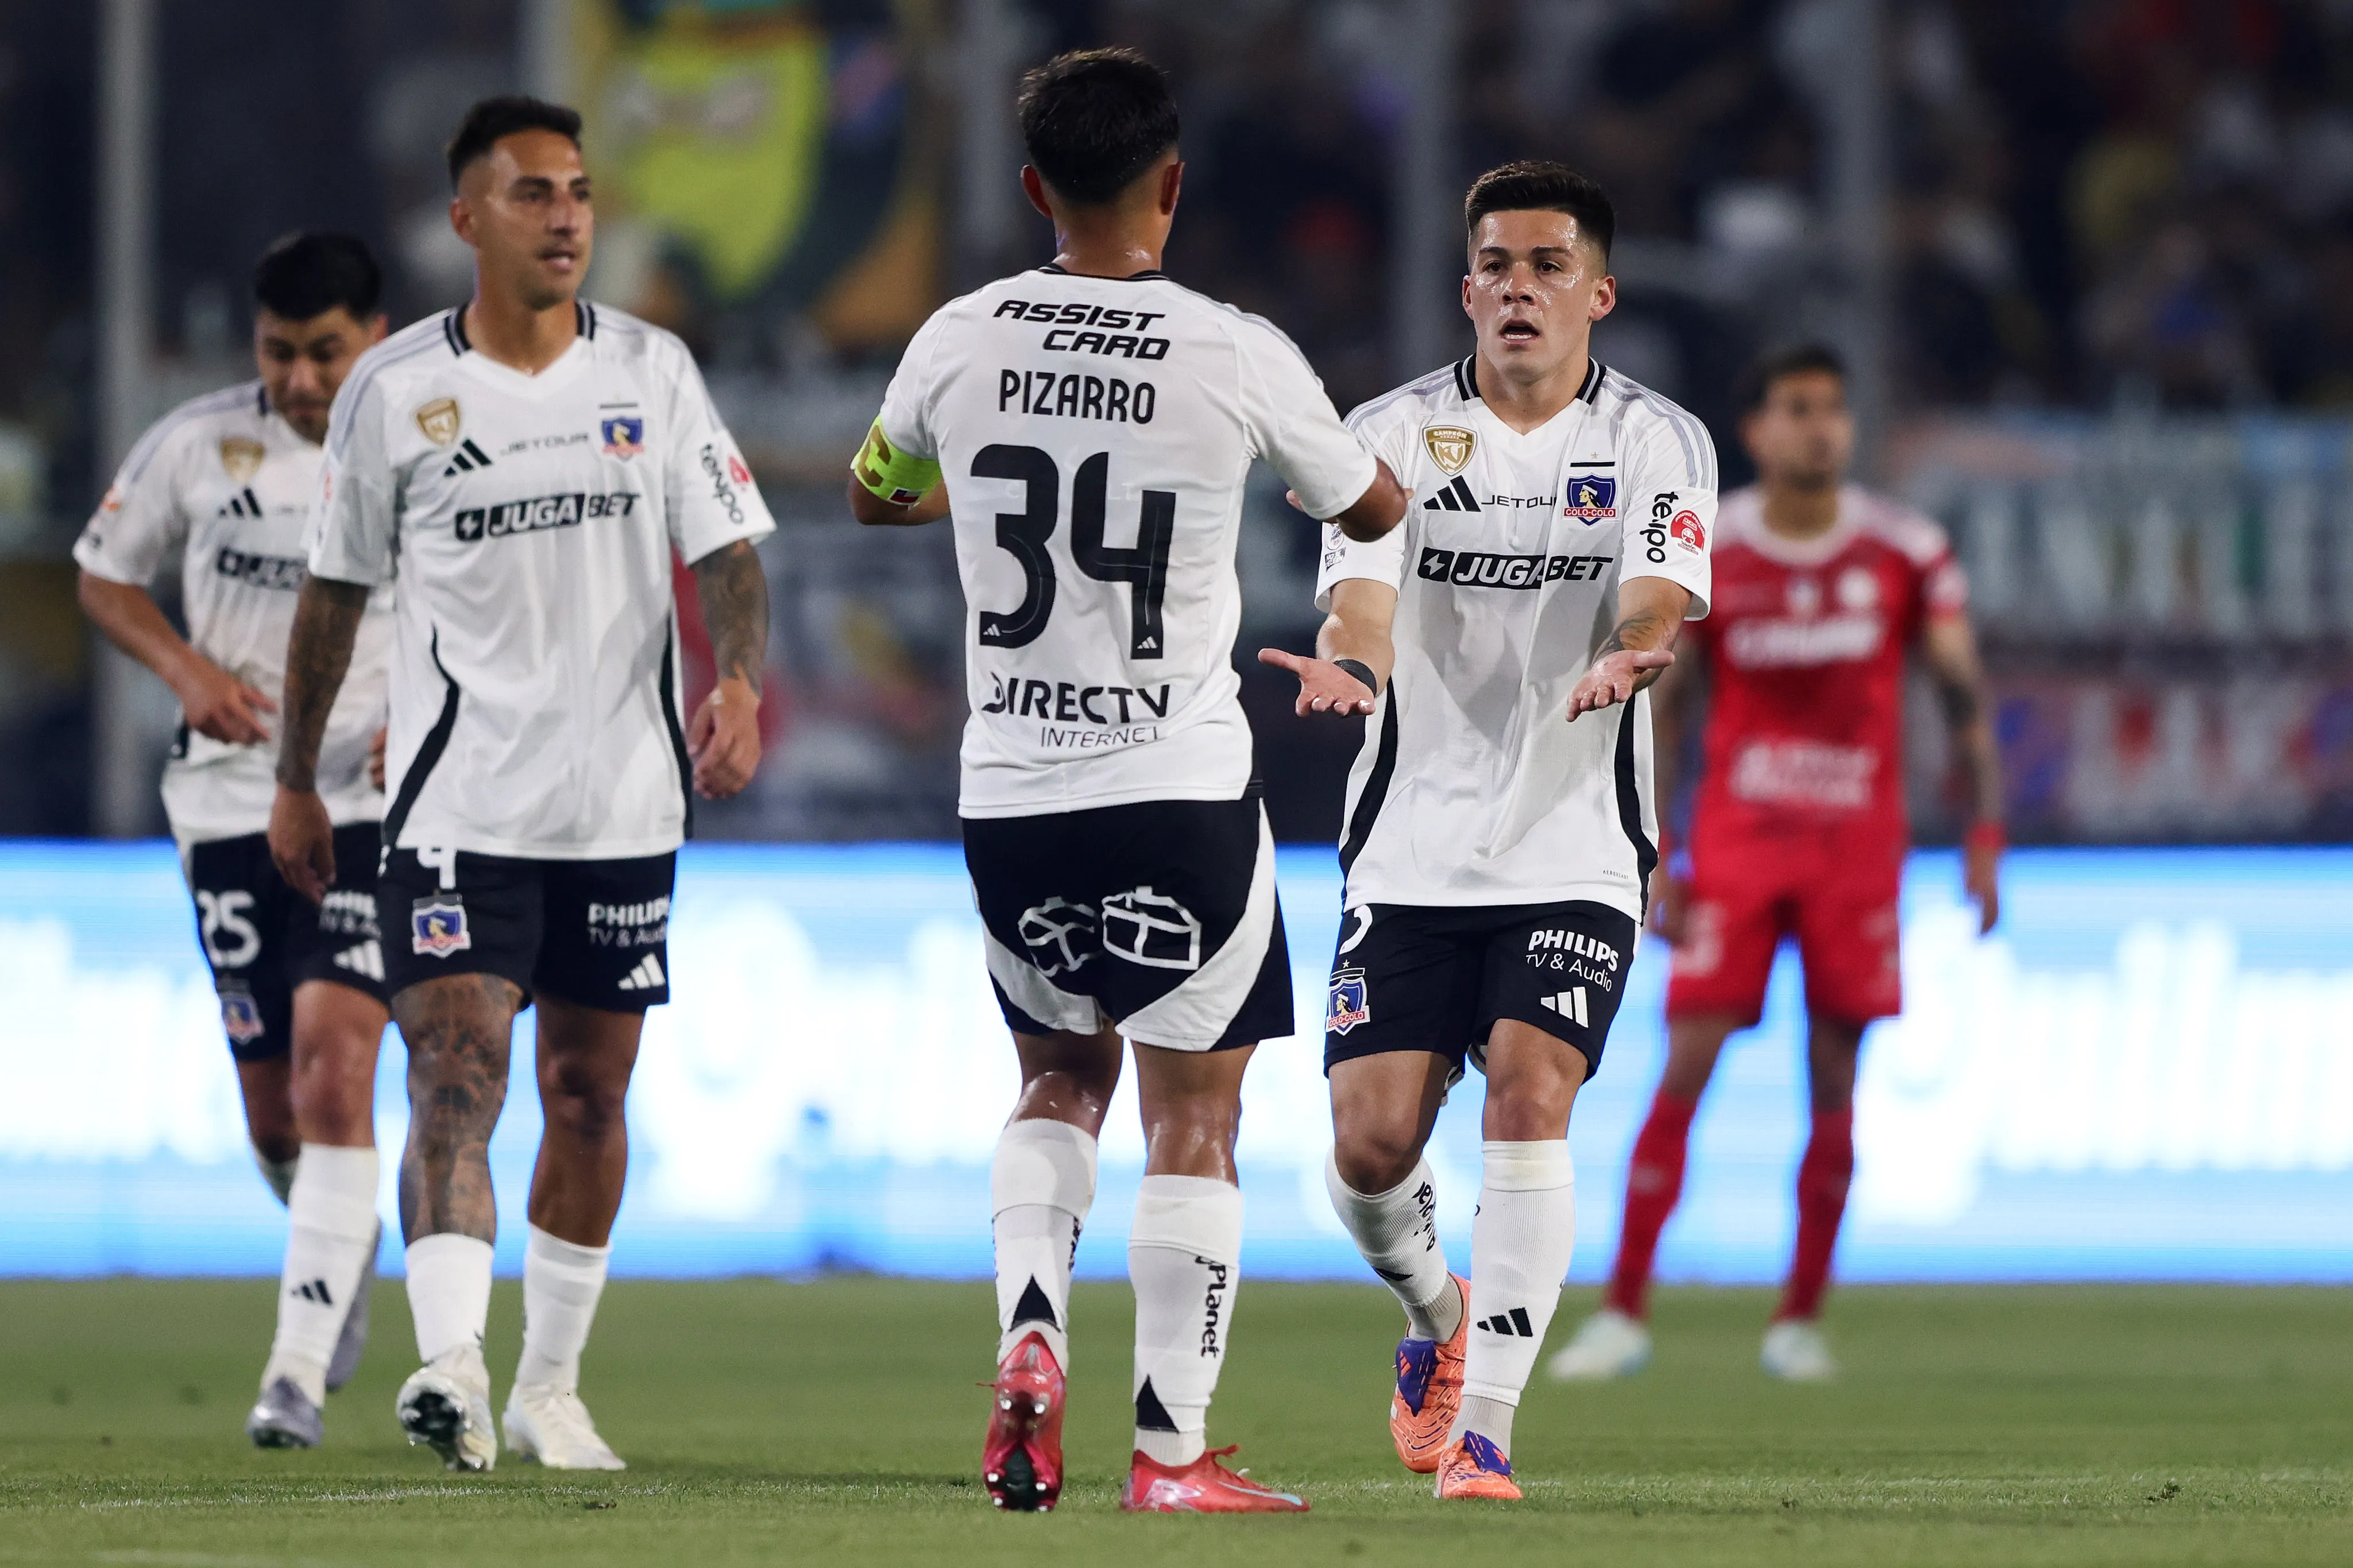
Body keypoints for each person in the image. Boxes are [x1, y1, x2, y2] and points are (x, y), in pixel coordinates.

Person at [848, 48, 1406, 1515]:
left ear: (1033, 187)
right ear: (1172, 184)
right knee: (1192, 1116)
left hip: (1009, 792)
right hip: (1177, 787)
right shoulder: (1231, 348)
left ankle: (1030, 1333)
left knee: (1053, 1077)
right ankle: (1168, 1451)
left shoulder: (959, 337)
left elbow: (877, 488)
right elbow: (1371, 504)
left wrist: (978, 469)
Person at [269, 95, 775, 1472]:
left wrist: (736, 681)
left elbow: (727, 550)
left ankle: (550, 1388)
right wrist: (299, 780)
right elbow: (333, 594)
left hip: (623, 803)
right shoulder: (393, 392)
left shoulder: (652, 371)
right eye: (533, 193)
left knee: (589, 1095)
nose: (565, 217)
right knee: (451, 1070)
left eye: (578, 192)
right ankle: (452, 1368)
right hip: (458, 802)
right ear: (465, 219)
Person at [1262, 161, 1714, 1502]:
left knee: (1530, 1096)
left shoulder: (1655, 439)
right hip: (1411, 842)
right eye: (1498, 267)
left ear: (1597, 294)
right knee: (1369, 1150)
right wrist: (1352, 664)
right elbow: (1359, 600)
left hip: (1576, 836)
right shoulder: (1388, 435)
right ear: (1465, 290)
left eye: (1548, 266)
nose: (1520, 289)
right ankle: (1435, 1313)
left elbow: (1657, 595)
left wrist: (1630, 653)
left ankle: (1486, 1434)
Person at [1550, 343, 2003, 1384]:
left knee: (1836, 1079)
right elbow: (1667, 707)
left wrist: (1984, 837)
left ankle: (1799, 1317)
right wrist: (1654, 848)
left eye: (1832, 409)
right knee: (1686, 1065)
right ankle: (1623, 1311)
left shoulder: (1907, 550)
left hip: (1856, 852)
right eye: (1797, 408)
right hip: (1740, 846)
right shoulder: (1714, 548)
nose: (1820, 427)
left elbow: (1961, 695)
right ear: (1755, 430)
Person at [76, 233, 395, 1450]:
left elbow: (486, 605)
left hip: (365, 802)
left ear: (373, 338)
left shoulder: (422, 449)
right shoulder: (197, 444)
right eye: (278, 353)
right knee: (273, 1116)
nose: (300, 378)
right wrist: (186, 669)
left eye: (325, 352)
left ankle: (292, 1376)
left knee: (335, 1066)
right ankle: (337, 1235)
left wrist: (432, 709)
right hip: (223, 802)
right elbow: (104, 576)